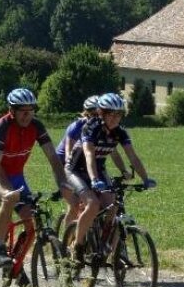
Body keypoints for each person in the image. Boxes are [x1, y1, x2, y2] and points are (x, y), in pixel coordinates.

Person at [0, 88, 67, 265]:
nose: (27, 115)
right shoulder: (1, 127)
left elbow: (53, 157)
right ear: (12, 111)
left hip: (15, 174)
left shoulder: (36, 126)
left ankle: (15, 265)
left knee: (31, 223)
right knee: (9, 198)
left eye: (31, 111)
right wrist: (7, 190)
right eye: (22, 111)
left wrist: (64, 184)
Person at [64, 93, 155, 255]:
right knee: (93, 204)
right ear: (101, 113)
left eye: (118, 115)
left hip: (98, 170)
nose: (115, 119)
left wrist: (146, 179)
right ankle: (77, 246)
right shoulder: (91, 128)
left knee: (113, 205)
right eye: (110, 114)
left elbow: (132, 157)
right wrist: (94, 179)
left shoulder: (120, 132)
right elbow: (89, 155)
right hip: (75, 170)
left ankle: (103, 244)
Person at [55, 95, 132, 228]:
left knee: (100, 198)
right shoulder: (77, 126)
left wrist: (123, 170)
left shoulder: (102, 129)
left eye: (97, 113)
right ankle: (68, 235)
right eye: (92, 114)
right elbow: (69, 152)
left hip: (87, 162)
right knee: (75, 202)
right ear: (86, 113)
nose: (95, 117)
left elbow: (113, 152)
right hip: (65, 161)